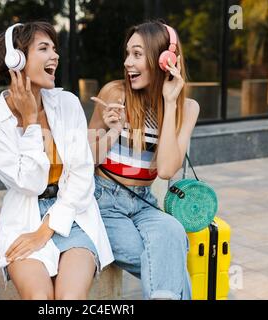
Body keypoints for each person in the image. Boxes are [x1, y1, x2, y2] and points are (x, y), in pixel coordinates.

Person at [0, 21, 113, 300]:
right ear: (17, 60)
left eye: (54, 48)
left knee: (69, 299)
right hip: (24, 217)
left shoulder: (68, 103)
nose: (55, 56)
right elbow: (30, 183)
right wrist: (30, 123)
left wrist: (45, 231)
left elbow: (82, 175)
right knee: (39, 298)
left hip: (74, 213)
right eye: (44, 48)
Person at [88, 20, 200, 300]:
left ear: (165, 60)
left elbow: (165, 170)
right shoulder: (114, 93)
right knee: (169, 260)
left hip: (143, 202)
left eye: (137, 54)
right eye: (127, 54)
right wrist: (113, 131)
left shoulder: (186, 108)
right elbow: (86, 159)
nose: (128, 62)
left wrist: (170, 103)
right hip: (103, 201)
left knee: (172, 231)